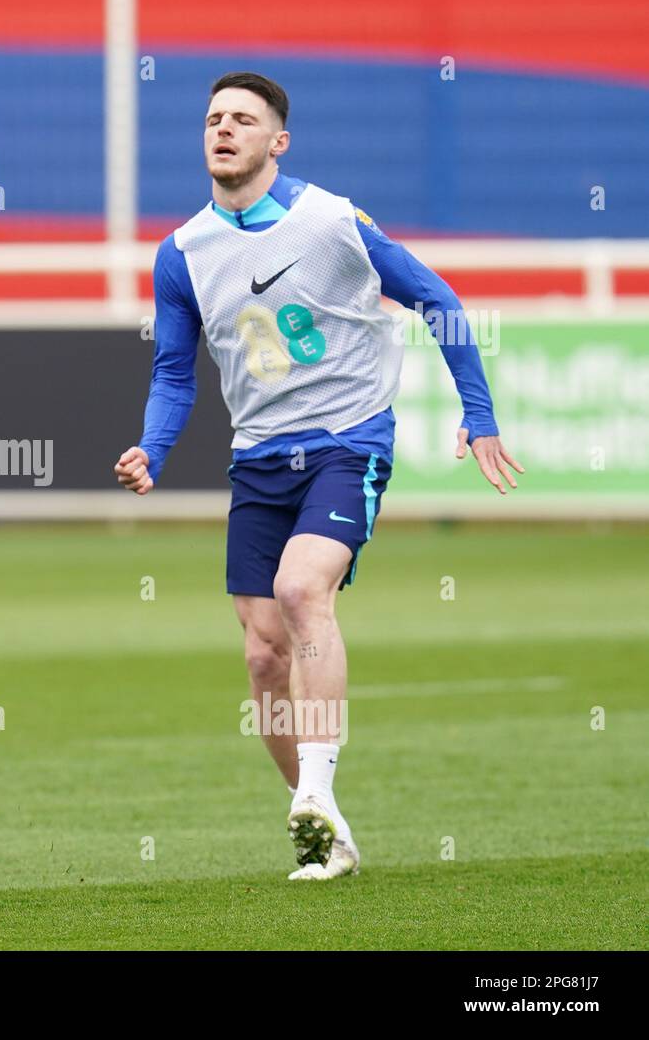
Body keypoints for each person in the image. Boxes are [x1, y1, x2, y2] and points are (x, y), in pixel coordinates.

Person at [115, 71, 523, 880]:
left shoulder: (331, 221)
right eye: (213, 119)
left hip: (347, 443)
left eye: (242, 119)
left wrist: (478, 411)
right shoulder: (183, 252)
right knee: (263, 656)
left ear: (278, 141)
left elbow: (436, 297)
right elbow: (173, 370)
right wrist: (153, 448)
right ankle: (320, 821)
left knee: (305, 592)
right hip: (258, 460)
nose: (223, 129)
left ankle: (319, 788)